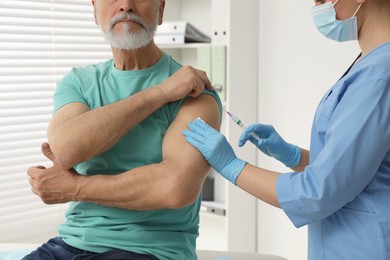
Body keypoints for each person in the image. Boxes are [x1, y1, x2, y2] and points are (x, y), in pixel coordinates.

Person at [183, 0, 390, 259]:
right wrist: (293, 156)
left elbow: (318, 192)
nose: (317, 8)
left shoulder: (379, 76)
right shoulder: (369, 64)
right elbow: (352, 169)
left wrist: (233, 166)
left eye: (322, 1)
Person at [25, 0, 222, 259]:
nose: (126, 5)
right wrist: (159, 93)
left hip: (151, 251)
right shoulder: (79, 82)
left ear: (161, 10)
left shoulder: (194, 91)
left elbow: (175, 188)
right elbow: (66, 149)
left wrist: (74, 188)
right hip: (69, 244)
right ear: (95, 11)